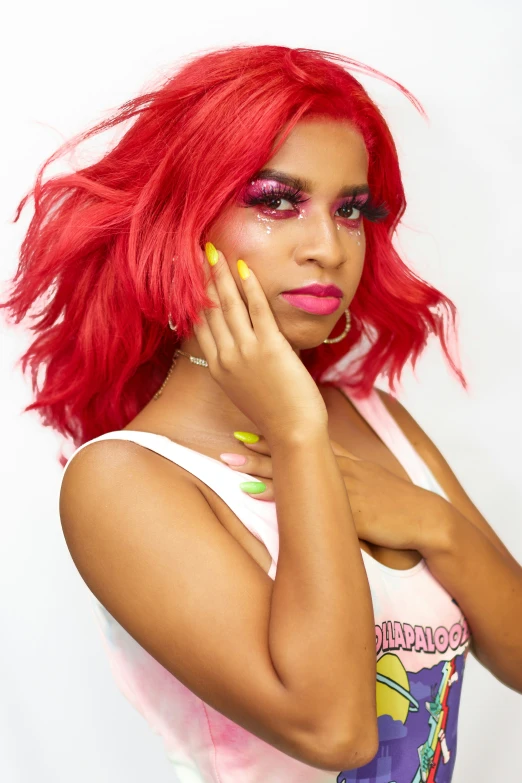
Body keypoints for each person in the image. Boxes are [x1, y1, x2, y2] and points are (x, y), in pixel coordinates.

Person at [3, 44, 521, 782]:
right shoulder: (121, 481)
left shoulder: (376, 420)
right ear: (181, 224)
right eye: (277, 201)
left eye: (351, 210)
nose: (327, 247)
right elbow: (336, 731)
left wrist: (428, 520)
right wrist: (296, 429)